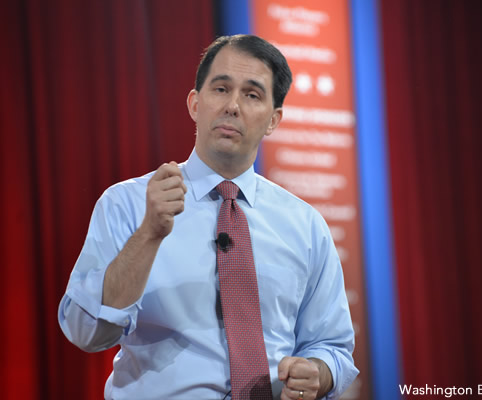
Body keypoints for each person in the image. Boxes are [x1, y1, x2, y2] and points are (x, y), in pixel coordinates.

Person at [58, 34, 358, 400]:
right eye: (220, 88)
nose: (232, 105)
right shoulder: (129, 204)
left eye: (252, 94)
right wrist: (150, 234)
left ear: (273, 120)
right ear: (195, 104)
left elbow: (333, 348)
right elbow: (86, 332)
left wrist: (319, 374)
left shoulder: (306, 226)